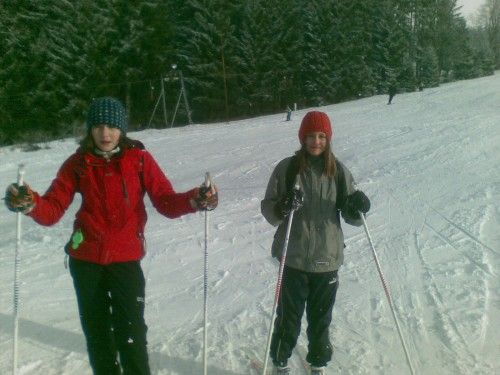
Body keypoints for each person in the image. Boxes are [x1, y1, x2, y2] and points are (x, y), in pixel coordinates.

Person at [4, 97, 218, 375]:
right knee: (98, 335)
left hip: (125, 259)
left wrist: (197, 199)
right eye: (99, 126)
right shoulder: (78, 163)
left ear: (122, 130)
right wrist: (30, 202)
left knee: (131, 334)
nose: (105, 133)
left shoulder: (139, 160)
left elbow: (165, 201)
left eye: (112, 127)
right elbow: (53, 209)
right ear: (90, 129)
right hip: (86, 261)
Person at [261, 111, 370, 375]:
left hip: (327, 258)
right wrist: (284, 206)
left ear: (328, 139)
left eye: (321, 136)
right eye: (311, 136)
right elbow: (269, 210)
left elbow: (352, 215)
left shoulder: (339, 171)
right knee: (289, 317)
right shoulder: (287, 169)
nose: (316, 142)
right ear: (302, 138)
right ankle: (280, 362)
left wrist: (358, 207)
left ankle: (318, 363)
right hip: (294, 256)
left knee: (320, 319)